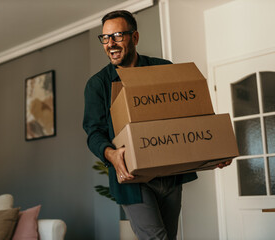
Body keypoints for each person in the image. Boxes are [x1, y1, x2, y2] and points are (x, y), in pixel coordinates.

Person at [83, 10, 231, 240]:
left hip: (170, 173)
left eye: (118, 36)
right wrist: (110, 154)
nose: (110, 43)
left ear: (135, 37)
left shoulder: (162, 69)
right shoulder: (97, 85)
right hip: (132, 179)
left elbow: (190, 114)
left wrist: (215, 150)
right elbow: (94, 132)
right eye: (105, 37)